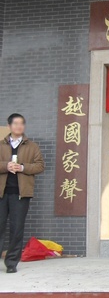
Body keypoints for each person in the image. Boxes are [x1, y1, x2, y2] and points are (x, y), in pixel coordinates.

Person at [0, 113, 45, 273]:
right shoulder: (1, 144)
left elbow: (40, 166)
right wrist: (6, 166)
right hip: (2, 193)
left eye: (22, 123)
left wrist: (22, 167)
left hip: (21, 194)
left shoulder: (32, 146)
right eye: (16, 123)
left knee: (16, 228)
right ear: (9, 125)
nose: (19, 126)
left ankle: (11, 263)